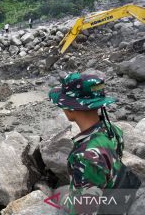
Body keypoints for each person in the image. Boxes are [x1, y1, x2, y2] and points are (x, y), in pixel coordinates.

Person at [48, 72, 141, 215]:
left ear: (71, 108)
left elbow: (84, 211)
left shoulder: (85, 157)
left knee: (53, 198)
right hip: (114, 189)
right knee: (59, 192)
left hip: (101, 205)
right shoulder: (111, 129)